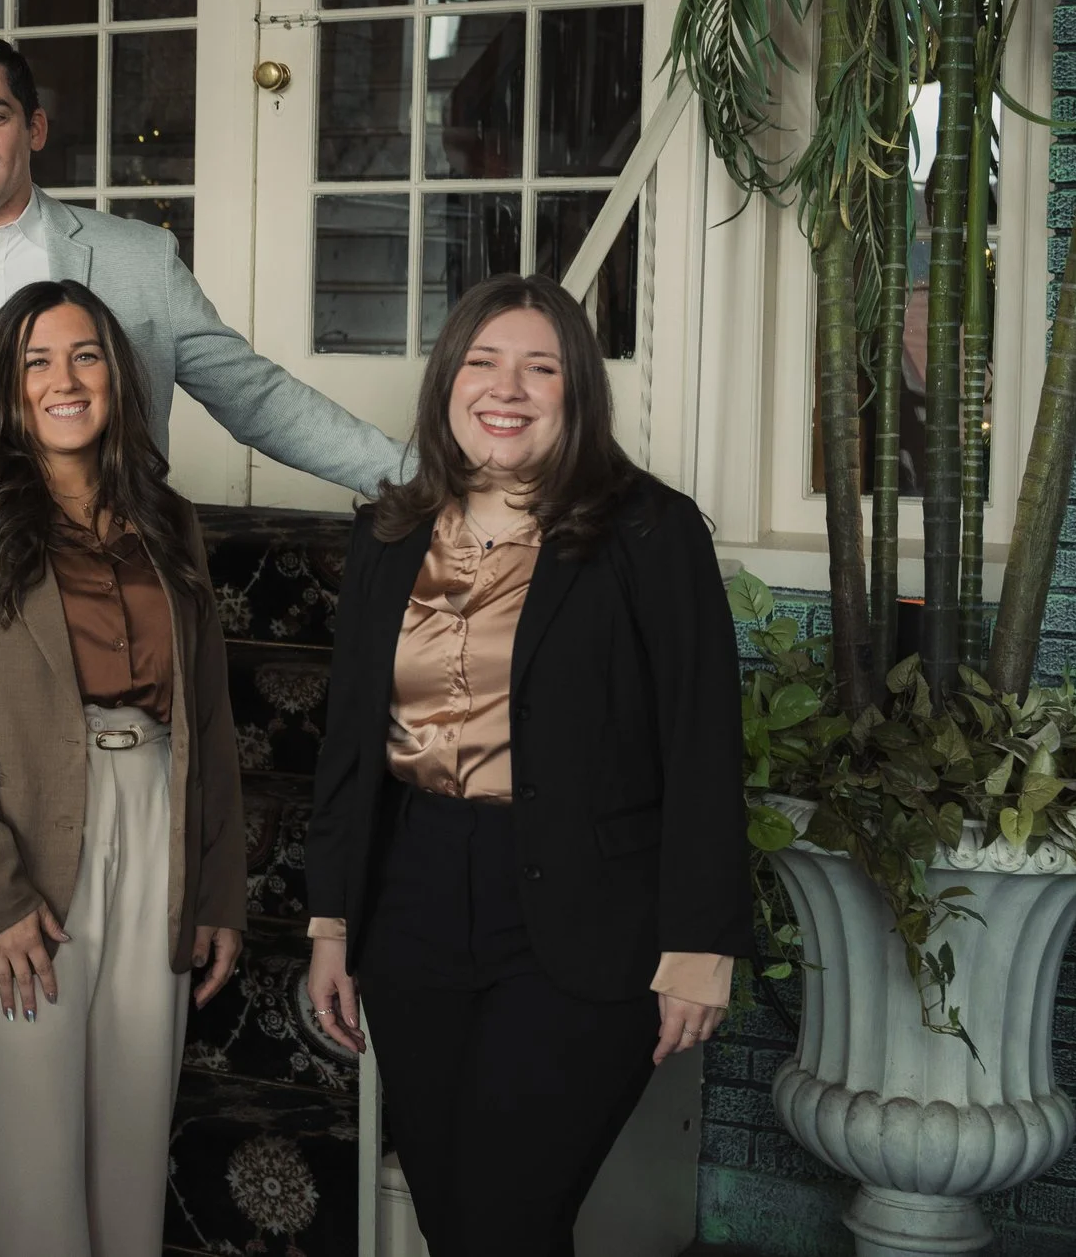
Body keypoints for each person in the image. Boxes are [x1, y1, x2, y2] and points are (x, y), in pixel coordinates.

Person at [0, 32, 409, 1230]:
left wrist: (403, 470)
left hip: (94, 634)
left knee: (38, 976)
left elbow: (248, 390)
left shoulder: (131, 263)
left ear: (34, 128)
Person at [301, 273, 748, 1257]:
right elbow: (347, 741)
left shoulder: (647, 529)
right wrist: (332, 917)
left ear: (574, 389)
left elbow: (703, 742)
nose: (506, 389)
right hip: (412, 894)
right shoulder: (388, 531)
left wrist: (699, 945)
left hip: (581, 908)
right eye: (483, 362)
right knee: (454, 1215)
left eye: (538, 368)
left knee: (508, 1216)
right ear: (447, 382)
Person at [0, 280, 245, 1257]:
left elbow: (208, 717)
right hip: (14, 850)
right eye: (36, 360)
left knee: (131, 1132)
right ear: (5, 384)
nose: (63, 378)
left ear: (116, 376)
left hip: (156, 828)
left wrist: (217, 886)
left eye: (84, 354)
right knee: (27, 1150)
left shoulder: (166, 519)